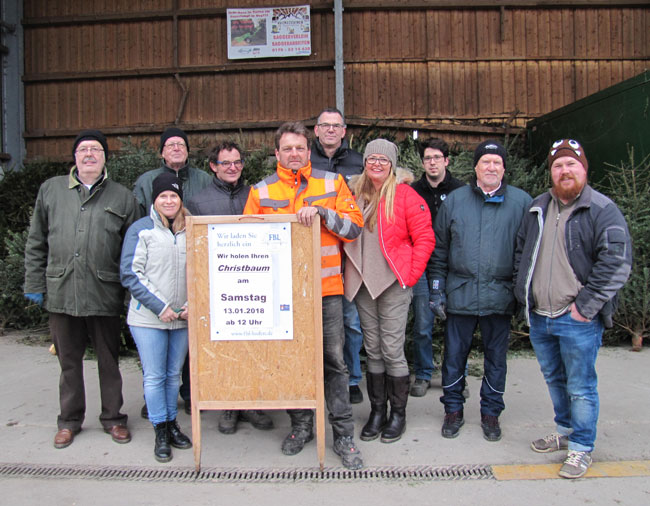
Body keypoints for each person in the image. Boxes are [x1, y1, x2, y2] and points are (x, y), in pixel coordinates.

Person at [243, 121, 364, 470]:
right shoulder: (261, 191)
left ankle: (342, 434)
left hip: (326, 292)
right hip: (283, 296)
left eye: (299, 148)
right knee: (290, 361)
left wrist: (324, 214)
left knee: (335, 364)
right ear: (276, 153)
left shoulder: (333, 183)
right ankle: (301, 425)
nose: (294, 153)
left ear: (307, 152)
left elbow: (354, 229)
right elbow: (249, 245)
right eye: (287, 148)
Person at [514, 139, 632, 479]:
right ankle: (565, 432)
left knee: (580, 385)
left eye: (571, 165)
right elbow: (522, 252)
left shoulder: (602, 209)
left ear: (584, 169)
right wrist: (524, 294)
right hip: (540, 315)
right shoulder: (538, 206)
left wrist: (585, 307)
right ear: (551, 173)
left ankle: (581, 448)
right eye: (558, 166)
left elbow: (617, 262)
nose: (565, 171)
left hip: (576, 317)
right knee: (554, 379)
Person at [24, 129, 138, 449]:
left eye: (96, 150)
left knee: (108, 359)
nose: (89, 154)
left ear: (104, 157)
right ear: (74, 157)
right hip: (62, 290)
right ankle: (69, 421)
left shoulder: (122, 197)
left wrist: (131, 294)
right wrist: (34, 283)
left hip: (105, 292)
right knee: (69, 361)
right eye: (83, 149)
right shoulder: (51, 190)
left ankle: (114, 418)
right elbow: (36, 241)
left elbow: (133, 251)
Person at [427, 140, 531, 442]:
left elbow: (528, 253)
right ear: (475, 167)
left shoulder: (522, 203)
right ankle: (453, 410)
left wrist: (524, 296)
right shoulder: (455, 201)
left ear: (504, 168)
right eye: (485, 162)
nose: (491, 167)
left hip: (501, 296)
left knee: (496, 359)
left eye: (496, 163)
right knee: (454, 357)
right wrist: (437, 291)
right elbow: (440, 251)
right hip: (460, 292)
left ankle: (491, 413)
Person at [344, 139, 435, 443]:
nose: (377, 164)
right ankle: (377, 411)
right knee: (372, 350)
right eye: (372, 159)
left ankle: (398, 414)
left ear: (393, 164)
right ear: (365, 162)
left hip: (393, 282)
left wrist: (408, 276)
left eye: (384, 159)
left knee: (392, 349)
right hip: (362, 283)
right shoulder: (353, 194)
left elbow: (425, 239)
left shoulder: (406, 196)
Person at [186, 141, 274, 435]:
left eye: (237, 162)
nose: (233, 167)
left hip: (255, 280)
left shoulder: (256, 195)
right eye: (226, 163)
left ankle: (251, 402)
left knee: (254, 344)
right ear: (213, 166)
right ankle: (228, 404)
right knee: (224, 347)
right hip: (220, 285)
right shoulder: (198, 202)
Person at [133, 127, 211, 418]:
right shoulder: (145, 182)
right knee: (155, 354)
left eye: (181, 144)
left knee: (190, 344)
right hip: (157, 271)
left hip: (192, 269)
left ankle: (191, 394)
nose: (176, 148)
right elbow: (137, 223)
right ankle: (155, 402)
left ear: (188, 150)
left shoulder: (204, 180)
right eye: (170, 144)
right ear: (162, 152)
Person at [120, 173, 193, 463]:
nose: (169, 201)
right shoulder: (141, 230)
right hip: (149, 318)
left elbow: (203, 269)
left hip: (182, 317)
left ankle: (172, 423)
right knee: (154, 375)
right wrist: (158, 306)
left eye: (173, 196)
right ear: (155, 199)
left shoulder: (192, 228)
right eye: (163, 196)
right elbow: (130, 273)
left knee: (174, 375)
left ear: (180, 199)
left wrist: (191, 304)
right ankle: (160, 429)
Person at [311, 107, 365, 404]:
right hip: (319, 255)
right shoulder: (305, 163)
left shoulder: (358, 163)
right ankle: (320, 378)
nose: (331, 130)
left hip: (351, 252)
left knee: (351, 321)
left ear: (344, 131)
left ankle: (353, 378)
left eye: (336, 126)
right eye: (325, 125)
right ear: (316, 131)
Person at [408, 138, 464, 397]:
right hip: (421, 266)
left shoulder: (461, 191)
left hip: (452, 267)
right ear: (423, 162)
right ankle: (423, 373)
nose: (432, 162)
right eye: (428, 158)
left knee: (454, 327)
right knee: (422, 325)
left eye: (437, 158)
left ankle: (454, 377)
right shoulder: (413, 191)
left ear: (446, 161)